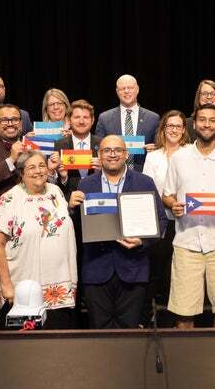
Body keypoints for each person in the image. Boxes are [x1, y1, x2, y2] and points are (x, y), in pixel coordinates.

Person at [69, 135, 167, 328]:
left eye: (118, 150)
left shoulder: (144, 182)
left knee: (129, 335)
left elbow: (161, 221)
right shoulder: (86, 184)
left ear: (126, 154)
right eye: (107, 150)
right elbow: (77, 228)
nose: (112, 155)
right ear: (99, 154)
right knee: (99, 333)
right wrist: (71, 209)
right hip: (96, 270)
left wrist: (142, 242)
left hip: (133, 269)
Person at [162, 104, 215, 328]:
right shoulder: (179, 158)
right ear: (194, 123)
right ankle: (185, 363)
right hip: (186, 244)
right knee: (183, 317)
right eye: (202, 120)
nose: (206, 124)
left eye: (212, 120)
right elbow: (167, 194)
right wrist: (174, 205)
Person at [0, 150, 78, 329]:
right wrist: (6, 285)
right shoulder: (9, 199)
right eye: (31, 167)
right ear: (21, 173)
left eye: (42, 165)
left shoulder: (56, 191)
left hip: (59, 287)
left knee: (58, 344)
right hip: (23, 290)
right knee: (28, 348)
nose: (38, 171)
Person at [142, 110, 189, 318]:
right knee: (157, 267)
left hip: (186, 220)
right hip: (159, 220)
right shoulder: (153, 157)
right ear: (163, 129)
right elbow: (147, 190)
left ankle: (176, 313)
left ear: (184, 130)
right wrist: (167, 202)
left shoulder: (191, 153)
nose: (174, 130)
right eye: (170, 126)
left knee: (179, 270)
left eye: (178, 126)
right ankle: (151, 313)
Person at [94, 74, 160, 171]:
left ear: (137, 89)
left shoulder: (153, 118)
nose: (126, 91)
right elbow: (98, 148)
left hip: (144, 174)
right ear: (117, 92)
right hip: (113, 174)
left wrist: (155, 149)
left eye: (130, 88)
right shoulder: (105, 118)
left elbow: (161, 148)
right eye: (122, 88)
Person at [56, 99, 102, 195]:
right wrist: (64, 178)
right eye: (77, 117)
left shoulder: (102, 144)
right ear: (69, 120)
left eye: (85, 117)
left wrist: (102, 171)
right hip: (68, 200)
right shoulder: (58, 145)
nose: (81, 121)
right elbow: (53, 184)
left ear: (92, 120)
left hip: (96, 198)